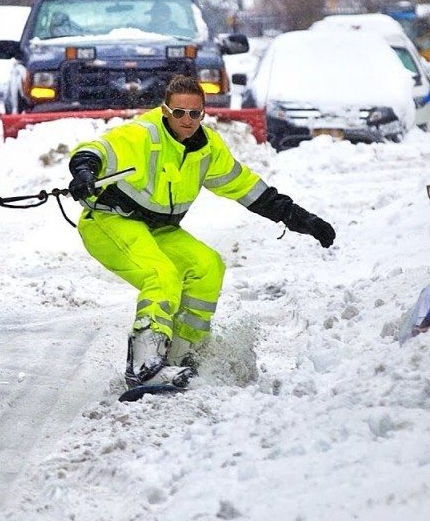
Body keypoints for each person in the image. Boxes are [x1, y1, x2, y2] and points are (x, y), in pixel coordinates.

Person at [67, 75, 335, 389]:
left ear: (204, 114)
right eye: (179, 112)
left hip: (160, 229)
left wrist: (296, 217)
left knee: (208, 266)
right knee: (161, 275)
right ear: (165, 110)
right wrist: (85, 170)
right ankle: (143, 368)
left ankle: (180, 356)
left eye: (195, 113)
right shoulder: (143, 134)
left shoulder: (207, 148)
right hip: (110, 221)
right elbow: (98, 150)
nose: (187, 120)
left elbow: (246, 188)